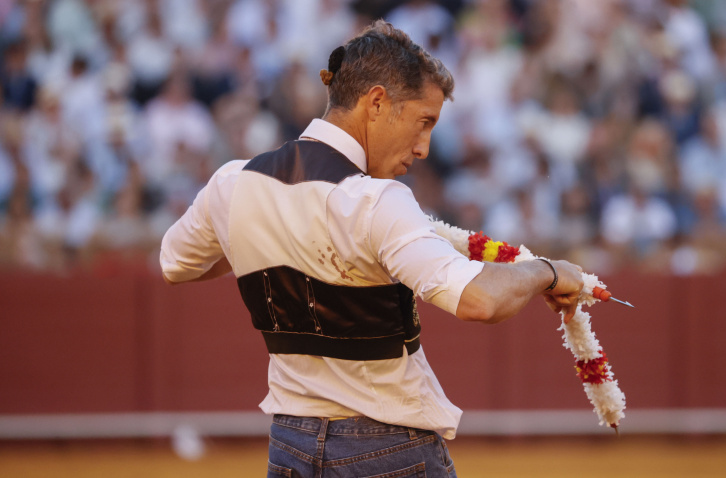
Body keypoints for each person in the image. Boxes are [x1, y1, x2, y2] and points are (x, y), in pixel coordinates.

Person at [160, 20, 583, 478]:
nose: (424, 148)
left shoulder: (233, 184)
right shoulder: (378, 200)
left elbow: (175, 263)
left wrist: (263, 234)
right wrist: (548, 272)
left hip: (289, 447)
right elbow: (479, 300)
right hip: (388, 448)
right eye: (423, 122)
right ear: (376, 102)